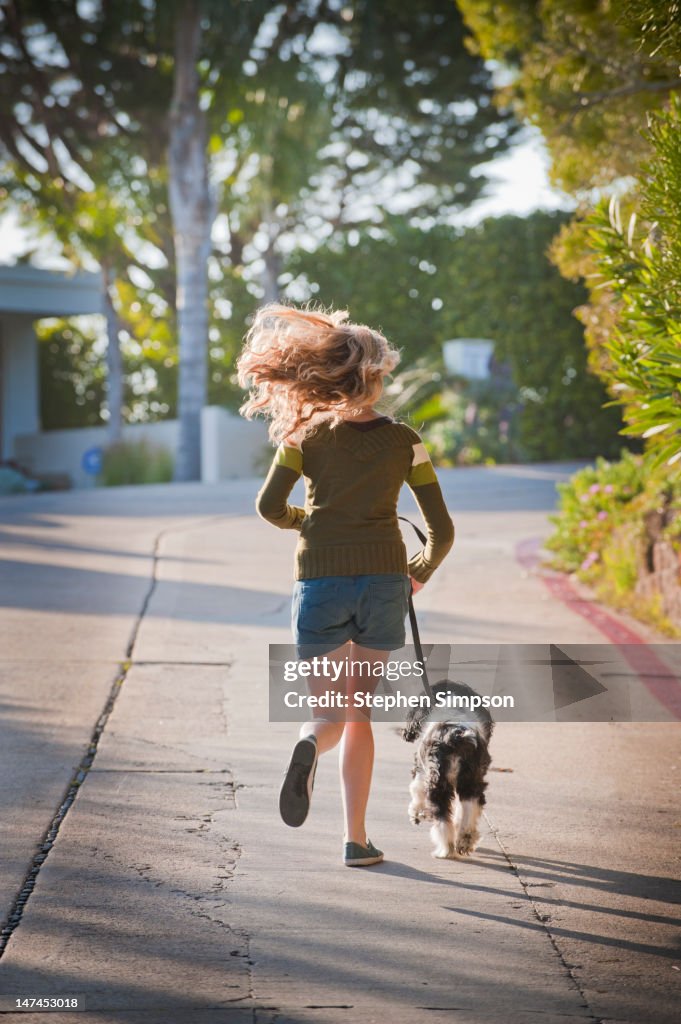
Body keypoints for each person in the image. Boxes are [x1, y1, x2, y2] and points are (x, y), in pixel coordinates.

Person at [236, 302, 454, 867]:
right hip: (385, 583)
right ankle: (356, 841)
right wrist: (419, 572)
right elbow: (442, 530)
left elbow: (268, 507)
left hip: (320, 583)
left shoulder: (304, 435)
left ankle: (308, 741)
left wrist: (307, 522)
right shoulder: (406, 440)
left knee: (328, 716)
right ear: (375, 377)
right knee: (360, 714)